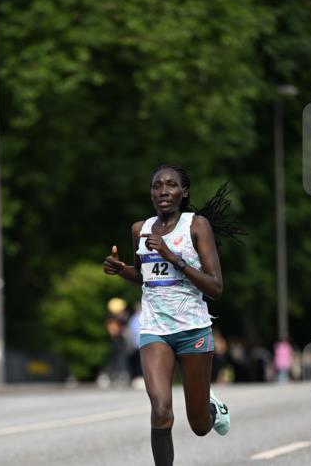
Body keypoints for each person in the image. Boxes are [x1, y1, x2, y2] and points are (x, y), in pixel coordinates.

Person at [103, 164, 243, 466]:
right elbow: (146, 277)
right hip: (155, 330)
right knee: (161, 410)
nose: (163, 191)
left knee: (199, 426)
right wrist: (122, 270)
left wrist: (173, 257)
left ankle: (213, 409)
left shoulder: (196, 226)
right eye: (157, 186)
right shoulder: (140, 229)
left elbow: (216, 287)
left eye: (170, 185)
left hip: (193, 330)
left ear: (184, 192)